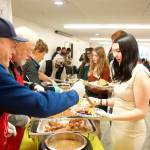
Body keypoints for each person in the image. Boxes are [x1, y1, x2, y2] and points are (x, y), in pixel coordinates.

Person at [0, 17, 85, 149]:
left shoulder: (12, 66)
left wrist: (32, 85)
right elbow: (40, 105)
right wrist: (74, 95)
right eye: (12, 46)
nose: (13, 51)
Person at [96, 33, 150, 150]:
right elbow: (121, 100)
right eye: (114, 51)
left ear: (130, 50)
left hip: (131, 130)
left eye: (119, 51)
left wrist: (110, 117)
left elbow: (142, 111)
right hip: (118, 125)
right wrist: (99, 101)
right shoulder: (124, 70)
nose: (115, 55)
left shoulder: (140, 73)